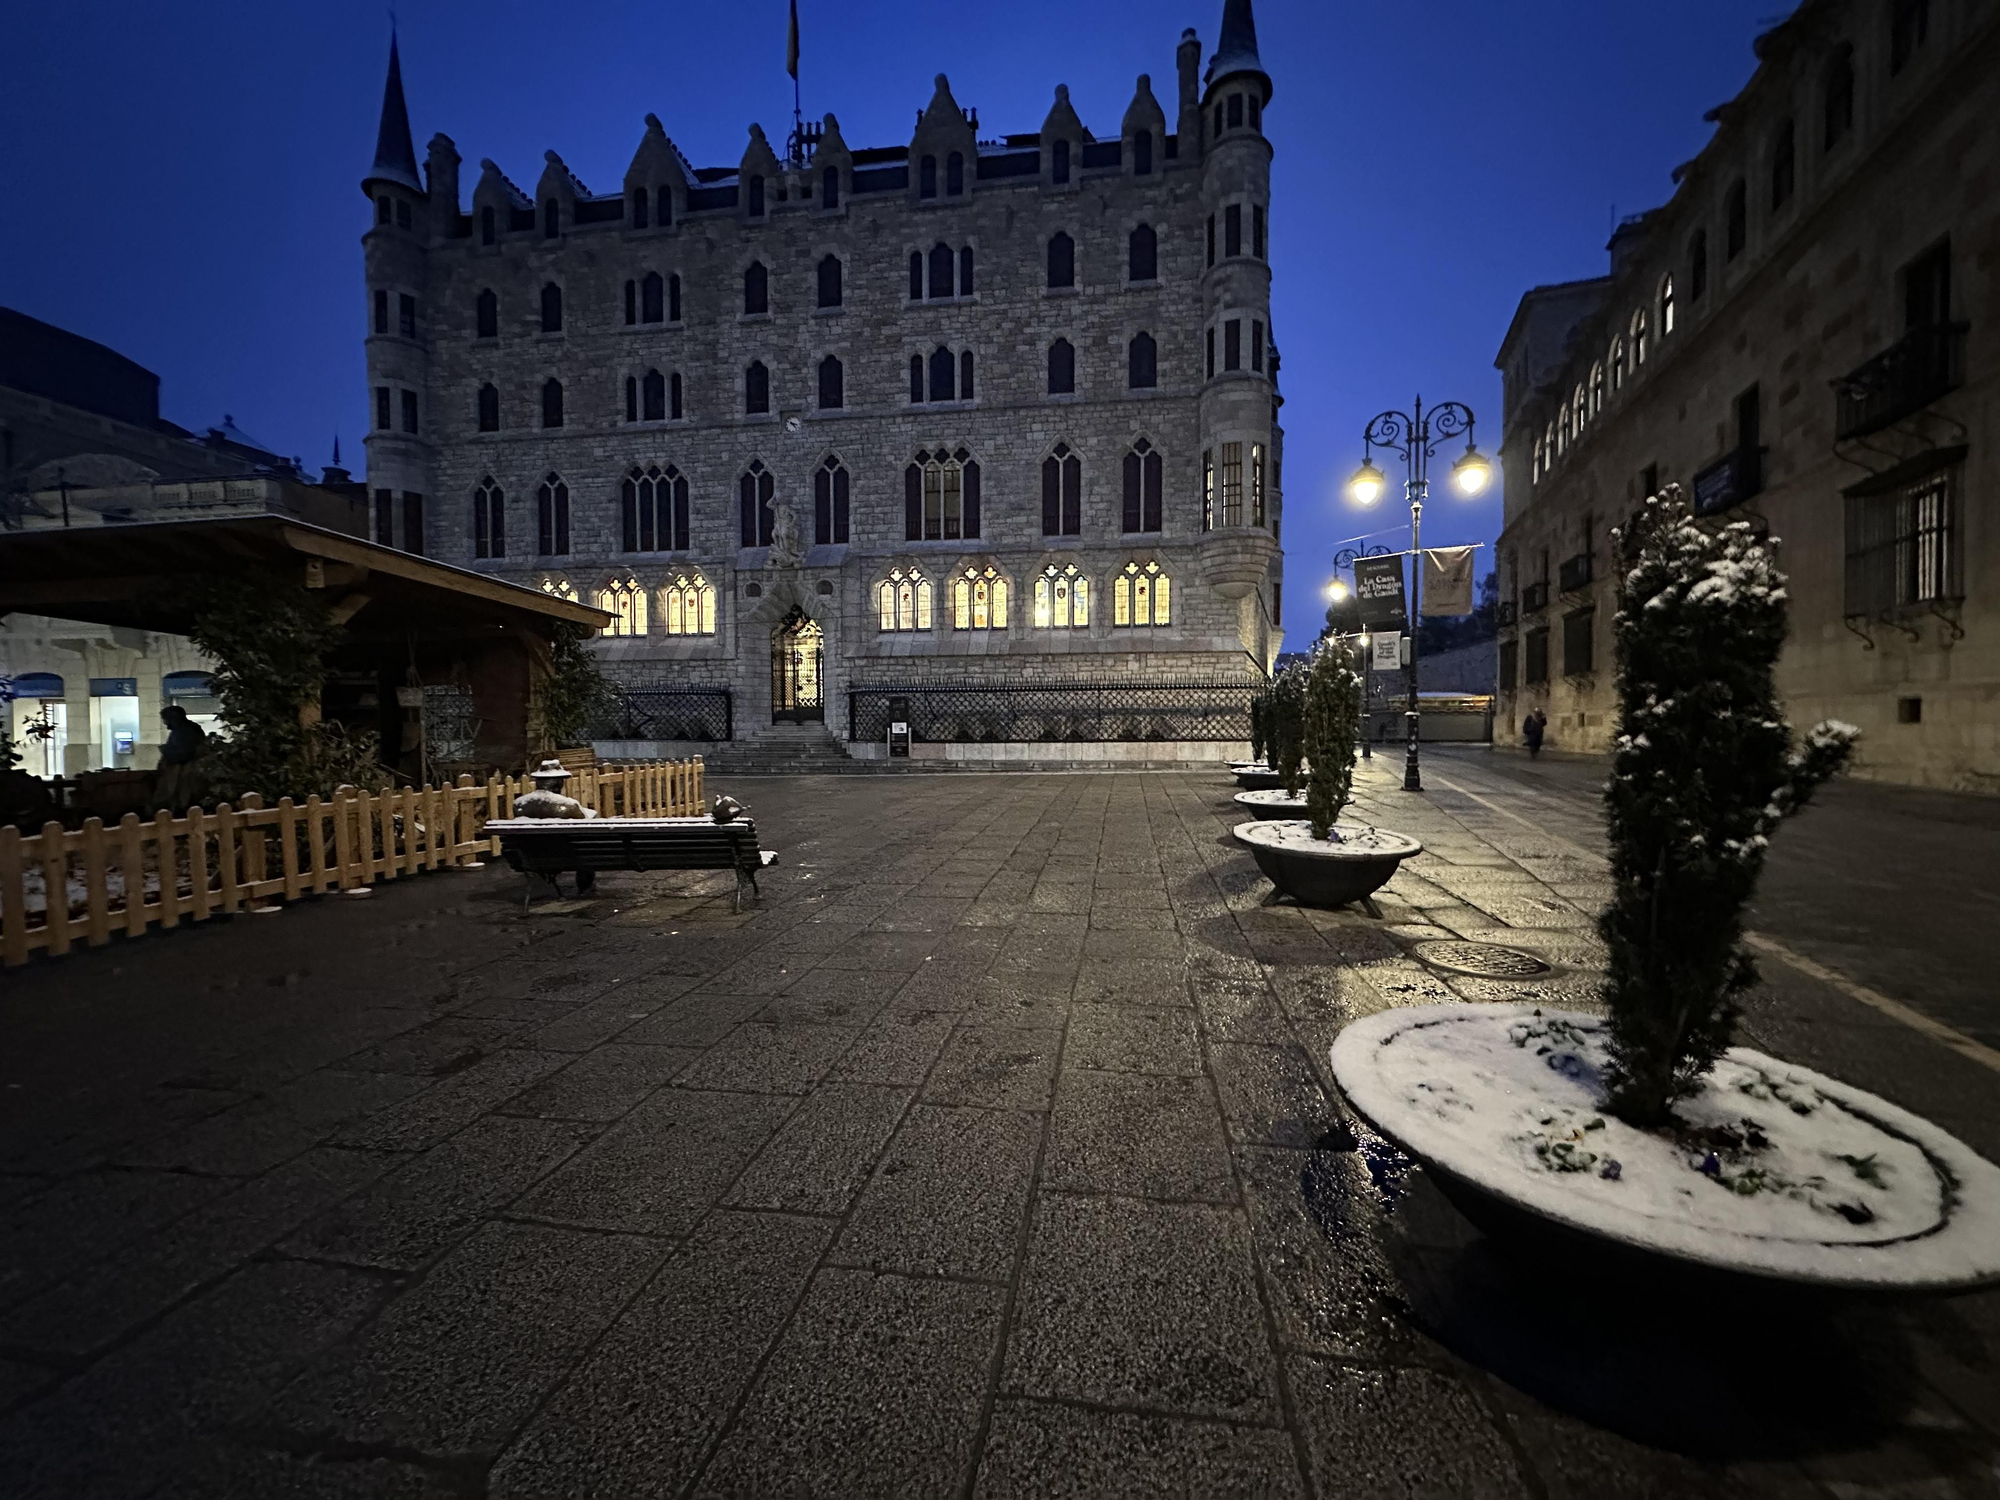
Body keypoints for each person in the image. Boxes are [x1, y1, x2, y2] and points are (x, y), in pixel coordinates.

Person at [152, 704, 208, 813]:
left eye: (166, 721)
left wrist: (166, 751)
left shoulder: (183, 731)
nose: (167, 725)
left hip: (183, 772)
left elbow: (184, 753)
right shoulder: (188, 729)